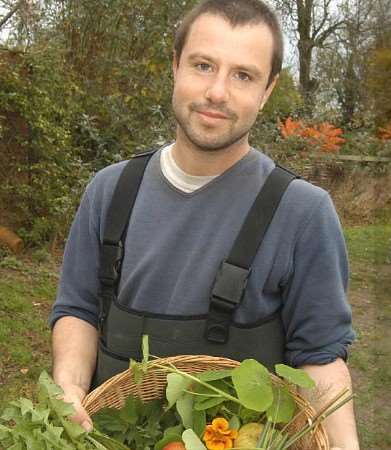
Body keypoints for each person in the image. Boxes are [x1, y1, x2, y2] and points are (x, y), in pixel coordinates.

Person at [49, 0, 360, 448]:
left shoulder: (303, 213)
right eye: (203, 65)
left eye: (243, 75)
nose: (217, 91)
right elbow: (77, 311)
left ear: (268, 89)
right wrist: (71, 388)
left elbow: (321, 357)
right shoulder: (109, 191)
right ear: (175, 67)